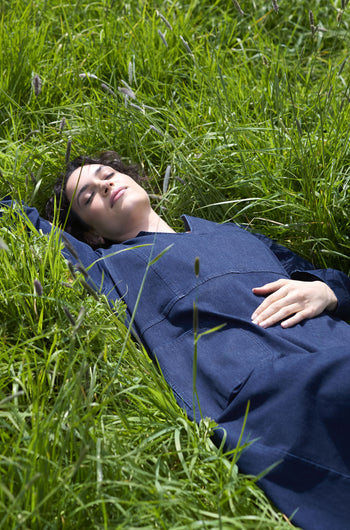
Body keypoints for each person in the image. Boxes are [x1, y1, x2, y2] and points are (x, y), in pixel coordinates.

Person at [4, 151, 350, 529]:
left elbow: (330, 280)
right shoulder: (107, 267)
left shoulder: (233, 233)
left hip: (337, 342)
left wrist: (327, 292)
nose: (104, 185)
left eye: (107, 174)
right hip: (273, 392)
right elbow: (13, 215)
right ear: (91, 233)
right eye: (89, 198)